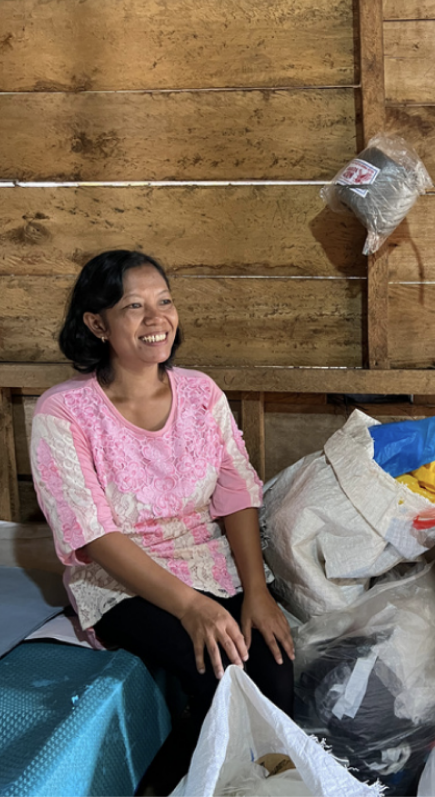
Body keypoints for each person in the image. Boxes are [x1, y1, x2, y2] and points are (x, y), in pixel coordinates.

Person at [30, 250, 295, 790]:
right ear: (97, 324)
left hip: (209, 559)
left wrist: (256, 590)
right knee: (218, 674)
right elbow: (94, 533)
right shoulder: (64, 412)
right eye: (134, 306)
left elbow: (236, 491)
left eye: (165, 301)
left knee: (275, 670)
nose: (157, 319)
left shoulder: (200, 393)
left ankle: (262, 781)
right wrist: (192, 607)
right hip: (123, 579)